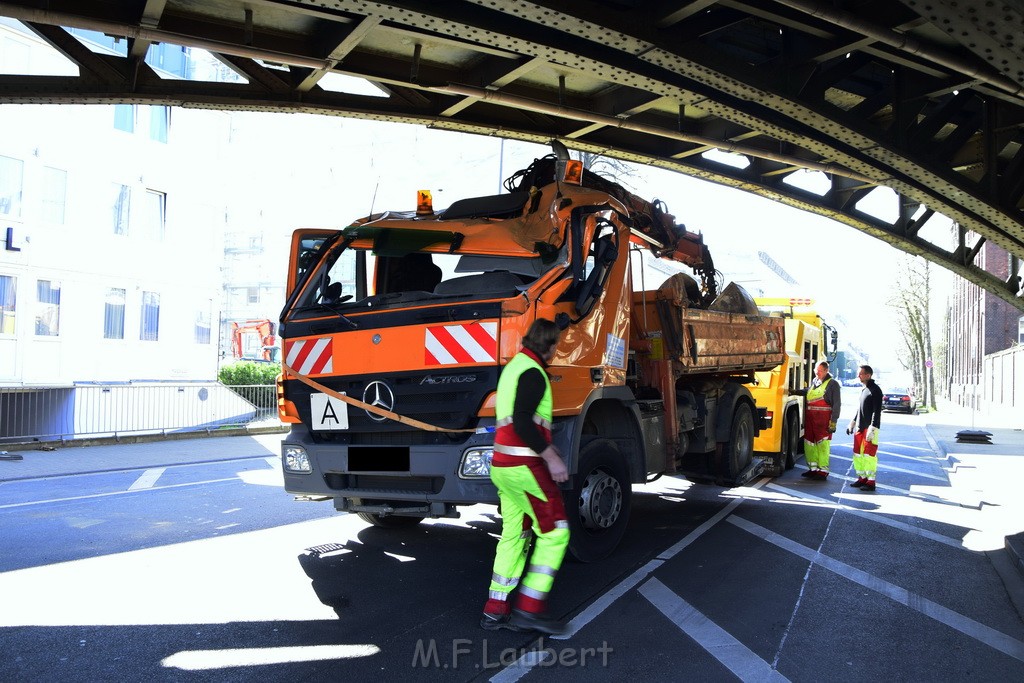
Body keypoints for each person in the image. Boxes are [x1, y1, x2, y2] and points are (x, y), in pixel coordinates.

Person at [480, 318, 570, 636]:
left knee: (514, 536)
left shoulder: (516, 366)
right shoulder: (534, 373)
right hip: (525, 467)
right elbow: (522, 422)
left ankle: (495, 610)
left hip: (503, 467)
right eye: (556, 344)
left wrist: (561, 322)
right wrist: (552, 457)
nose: (558, 349)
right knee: (556, 532)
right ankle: (529, 609)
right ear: (549, 347)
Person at [798, 360, 841, 479]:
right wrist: (796, 391)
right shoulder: (815, 381)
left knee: (822, 445)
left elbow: (837, 404)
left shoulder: (833, 384)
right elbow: (808, 392)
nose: (817, 374)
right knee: (809, 444)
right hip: (811, 419)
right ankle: (813, 469)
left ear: (826, 371)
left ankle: (823, 471)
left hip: (823, 420)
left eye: (820, 371)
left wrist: (833, 422)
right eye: (816, 371)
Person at [847, 364, 883, 491]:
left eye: (861, 374)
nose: (858, 376)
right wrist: (853, 422)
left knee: (869, 455)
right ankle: (862, 478)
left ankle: (871, 481)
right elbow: (860, 409)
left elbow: (876, 411)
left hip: (869, 428)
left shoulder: (875, 390)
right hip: (860, 427)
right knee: (858, 454)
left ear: (868, 375)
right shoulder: (864, 389)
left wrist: (873, 427)